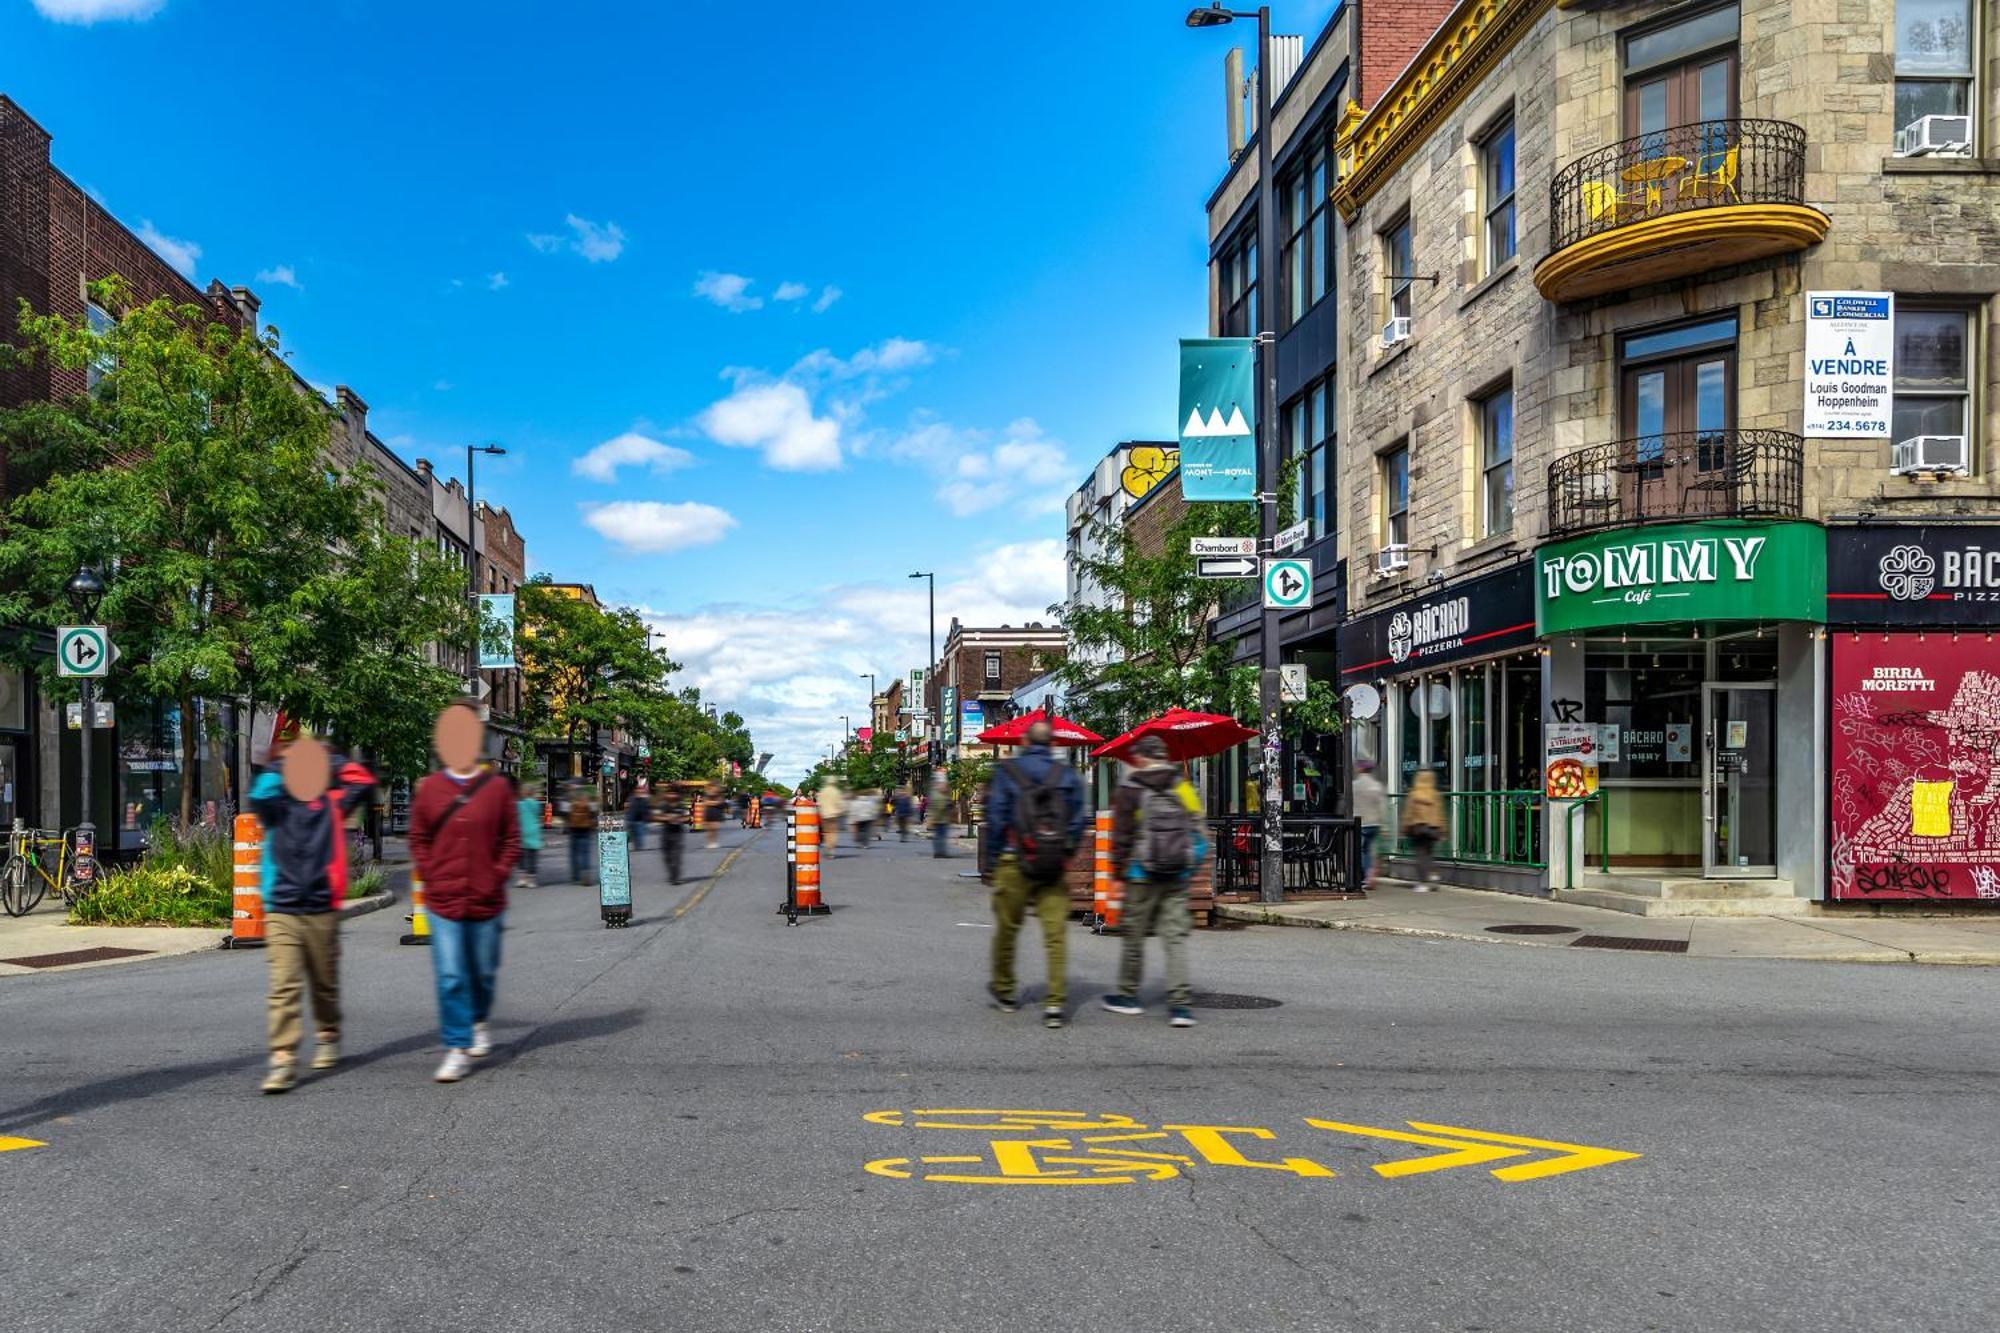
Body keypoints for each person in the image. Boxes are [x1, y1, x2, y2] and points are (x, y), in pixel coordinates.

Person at [247, 737, 377, 1094]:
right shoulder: (276, 804)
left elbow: (363, 781)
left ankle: (328, 1031)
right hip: (283, 905)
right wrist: (280, 765)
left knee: (323, 982)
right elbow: (257, 796)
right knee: (284, 984)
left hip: (321, 903)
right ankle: (283, 1059)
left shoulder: (333, 802)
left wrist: (331, 761)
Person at [410, 704, 523, 1084]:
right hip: (443, 901)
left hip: (485, 899)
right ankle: (457, 1047)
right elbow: (419, 838)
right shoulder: (431, 790)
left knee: (483, 973)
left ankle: (477, 1019)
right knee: (451, 974)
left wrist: (498, 874)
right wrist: (431, 875)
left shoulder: (496, 790)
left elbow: (511, 839)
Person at [985, 720, 1087, 1029]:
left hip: (1014, 860)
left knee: (1007, 928)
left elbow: (996, 815)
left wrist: (993, 859)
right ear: (1053, 744)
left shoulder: (1008, 772)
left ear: (1025, 742)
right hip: (1051, 864)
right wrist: (1064, 852)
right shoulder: (1067, 776)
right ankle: (1055, 1003)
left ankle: (1005, 991)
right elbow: (1078, 821)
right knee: (1055, 935)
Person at [1101, 735, 1208, 1028]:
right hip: (1176, 874)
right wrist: (1189, 866)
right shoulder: (1182, 786)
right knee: (1174, 938)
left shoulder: (1130, 789)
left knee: (1134, 935)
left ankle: (1128, 996)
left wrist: (1118, 875)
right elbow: (1199, 830)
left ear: (1140, 757)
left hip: (1140, 874)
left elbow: (1121, 837)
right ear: (1163, 756)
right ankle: (1180, 1006)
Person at [1400, 769, 1446, 889]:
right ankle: (1433, 874)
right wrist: (1443, 829)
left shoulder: (1414, 794)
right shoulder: (1435, 794)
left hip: (1419, 828)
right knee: (1429, 853)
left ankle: (1423, 883)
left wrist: (1404, 827)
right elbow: (1440, 813)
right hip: (1433, 829)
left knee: (1420, 856)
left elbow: (1408, 813)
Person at [1350, 759, 1387, 889]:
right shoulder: (1377, 785)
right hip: (1375, 823)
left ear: (1360, 770)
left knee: (1360, 850)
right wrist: (1384, 825)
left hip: (1360, 822)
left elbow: (1350, 804)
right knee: (1369, 850)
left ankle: (1365, 876)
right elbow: (1382, 806)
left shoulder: (1354, 785)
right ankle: (1369, 874)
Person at [657, 786, 687, 886]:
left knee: (676, 856)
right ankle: (671, 874)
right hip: (666, 833)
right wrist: (667, 818)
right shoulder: (663, 805)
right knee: (667, 857)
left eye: (674, 793)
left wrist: (679, 819)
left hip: (677, 834)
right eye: (670, 793)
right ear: (666, 794)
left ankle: (675, 877)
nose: (672, 795)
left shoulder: (681, 805)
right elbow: (657, 816)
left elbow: (687, 818)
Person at [566, 785, 596, 883]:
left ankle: (575, 876)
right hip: (585, 829)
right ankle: (586, 874)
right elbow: (593, 814)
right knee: (585, 853)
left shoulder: (571, 803)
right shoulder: (587, 803)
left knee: (574, 854)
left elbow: (565, 814)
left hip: (573, 829)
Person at [516, 786, 544, 889]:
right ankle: (531, 880)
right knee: (532, 858)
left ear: (523, 793)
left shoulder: (519, 805)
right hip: (534, 833)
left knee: (521, 858)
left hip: (522, 832)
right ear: (532, 793)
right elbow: (538, 816)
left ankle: (522, 879)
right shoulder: (536, 804)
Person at [818, 776, 846, 857]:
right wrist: (841, 811)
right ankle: (832, 848)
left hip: (825, 814)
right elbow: (841, 803)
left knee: (826, 832)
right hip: (834, 814)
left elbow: (819, 804)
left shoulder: (823, 791)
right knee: (833, 832)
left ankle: (828, 848)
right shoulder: (836, 791)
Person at [929, 768, 953, 858]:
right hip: (939, 819)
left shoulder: (939, 794)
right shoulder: (937, 795)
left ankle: (939, 852)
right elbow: (937, 807)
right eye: (943, 785)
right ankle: (939, 852)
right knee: (940, 836)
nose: (944, 787)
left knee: (940, 836)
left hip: (942, 819)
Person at [626, 785, 651, 852]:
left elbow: (647, 809)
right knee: (633, 833)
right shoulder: (631, 799)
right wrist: (627, 818)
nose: (640, 792)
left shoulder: (645, 799)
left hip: (641, 820)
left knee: (640, 833)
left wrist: (648, 816)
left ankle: (638, 846)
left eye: (641, 790)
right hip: (632, 819)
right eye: (639, 790)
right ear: (636, 791)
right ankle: (635, 844)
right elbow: (628, 808)